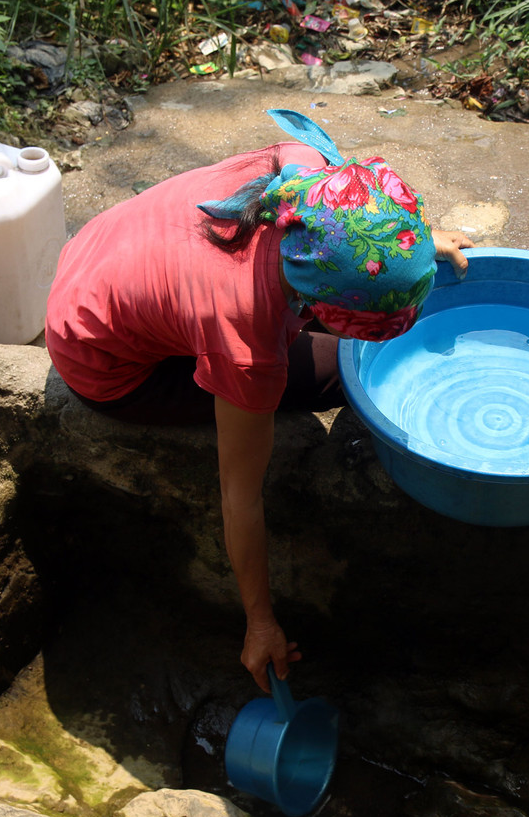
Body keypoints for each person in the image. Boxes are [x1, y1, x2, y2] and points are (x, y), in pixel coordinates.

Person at [45, 109, 474, 692]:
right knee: (333, 375)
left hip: (100, 258)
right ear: (318, 307)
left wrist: (416, 241)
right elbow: (238, 495)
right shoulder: (245, 338)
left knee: (320, 351)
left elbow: (363, 223)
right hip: (104, 362)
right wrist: (260, 621)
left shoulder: (311, 179)